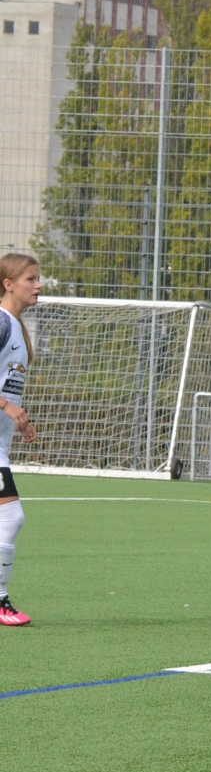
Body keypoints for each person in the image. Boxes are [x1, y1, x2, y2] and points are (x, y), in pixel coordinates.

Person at [0, 253, 41, 627]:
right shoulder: (0, 322)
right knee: (11, 517)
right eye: (31, 279)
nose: (38, 285)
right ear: (8, 284)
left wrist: (19, 420)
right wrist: (8, 407)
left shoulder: (17, 328)